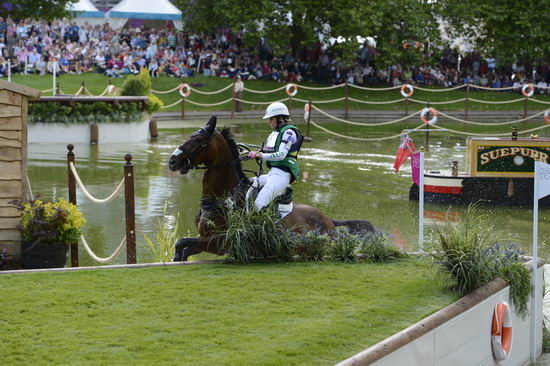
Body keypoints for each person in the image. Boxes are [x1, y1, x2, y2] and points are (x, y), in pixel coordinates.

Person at [247, 102, 303, 211]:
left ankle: (264, 227)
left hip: (282, 176)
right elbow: (270, 150)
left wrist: (261, 155)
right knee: (245, 184)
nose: (269, 122)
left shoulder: (289, 132)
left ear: (280, 119)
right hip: (272, 174)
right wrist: (259, 152)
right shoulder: (275, 133)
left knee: (258, 204)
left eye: (271, 119)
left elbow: (281, 155)